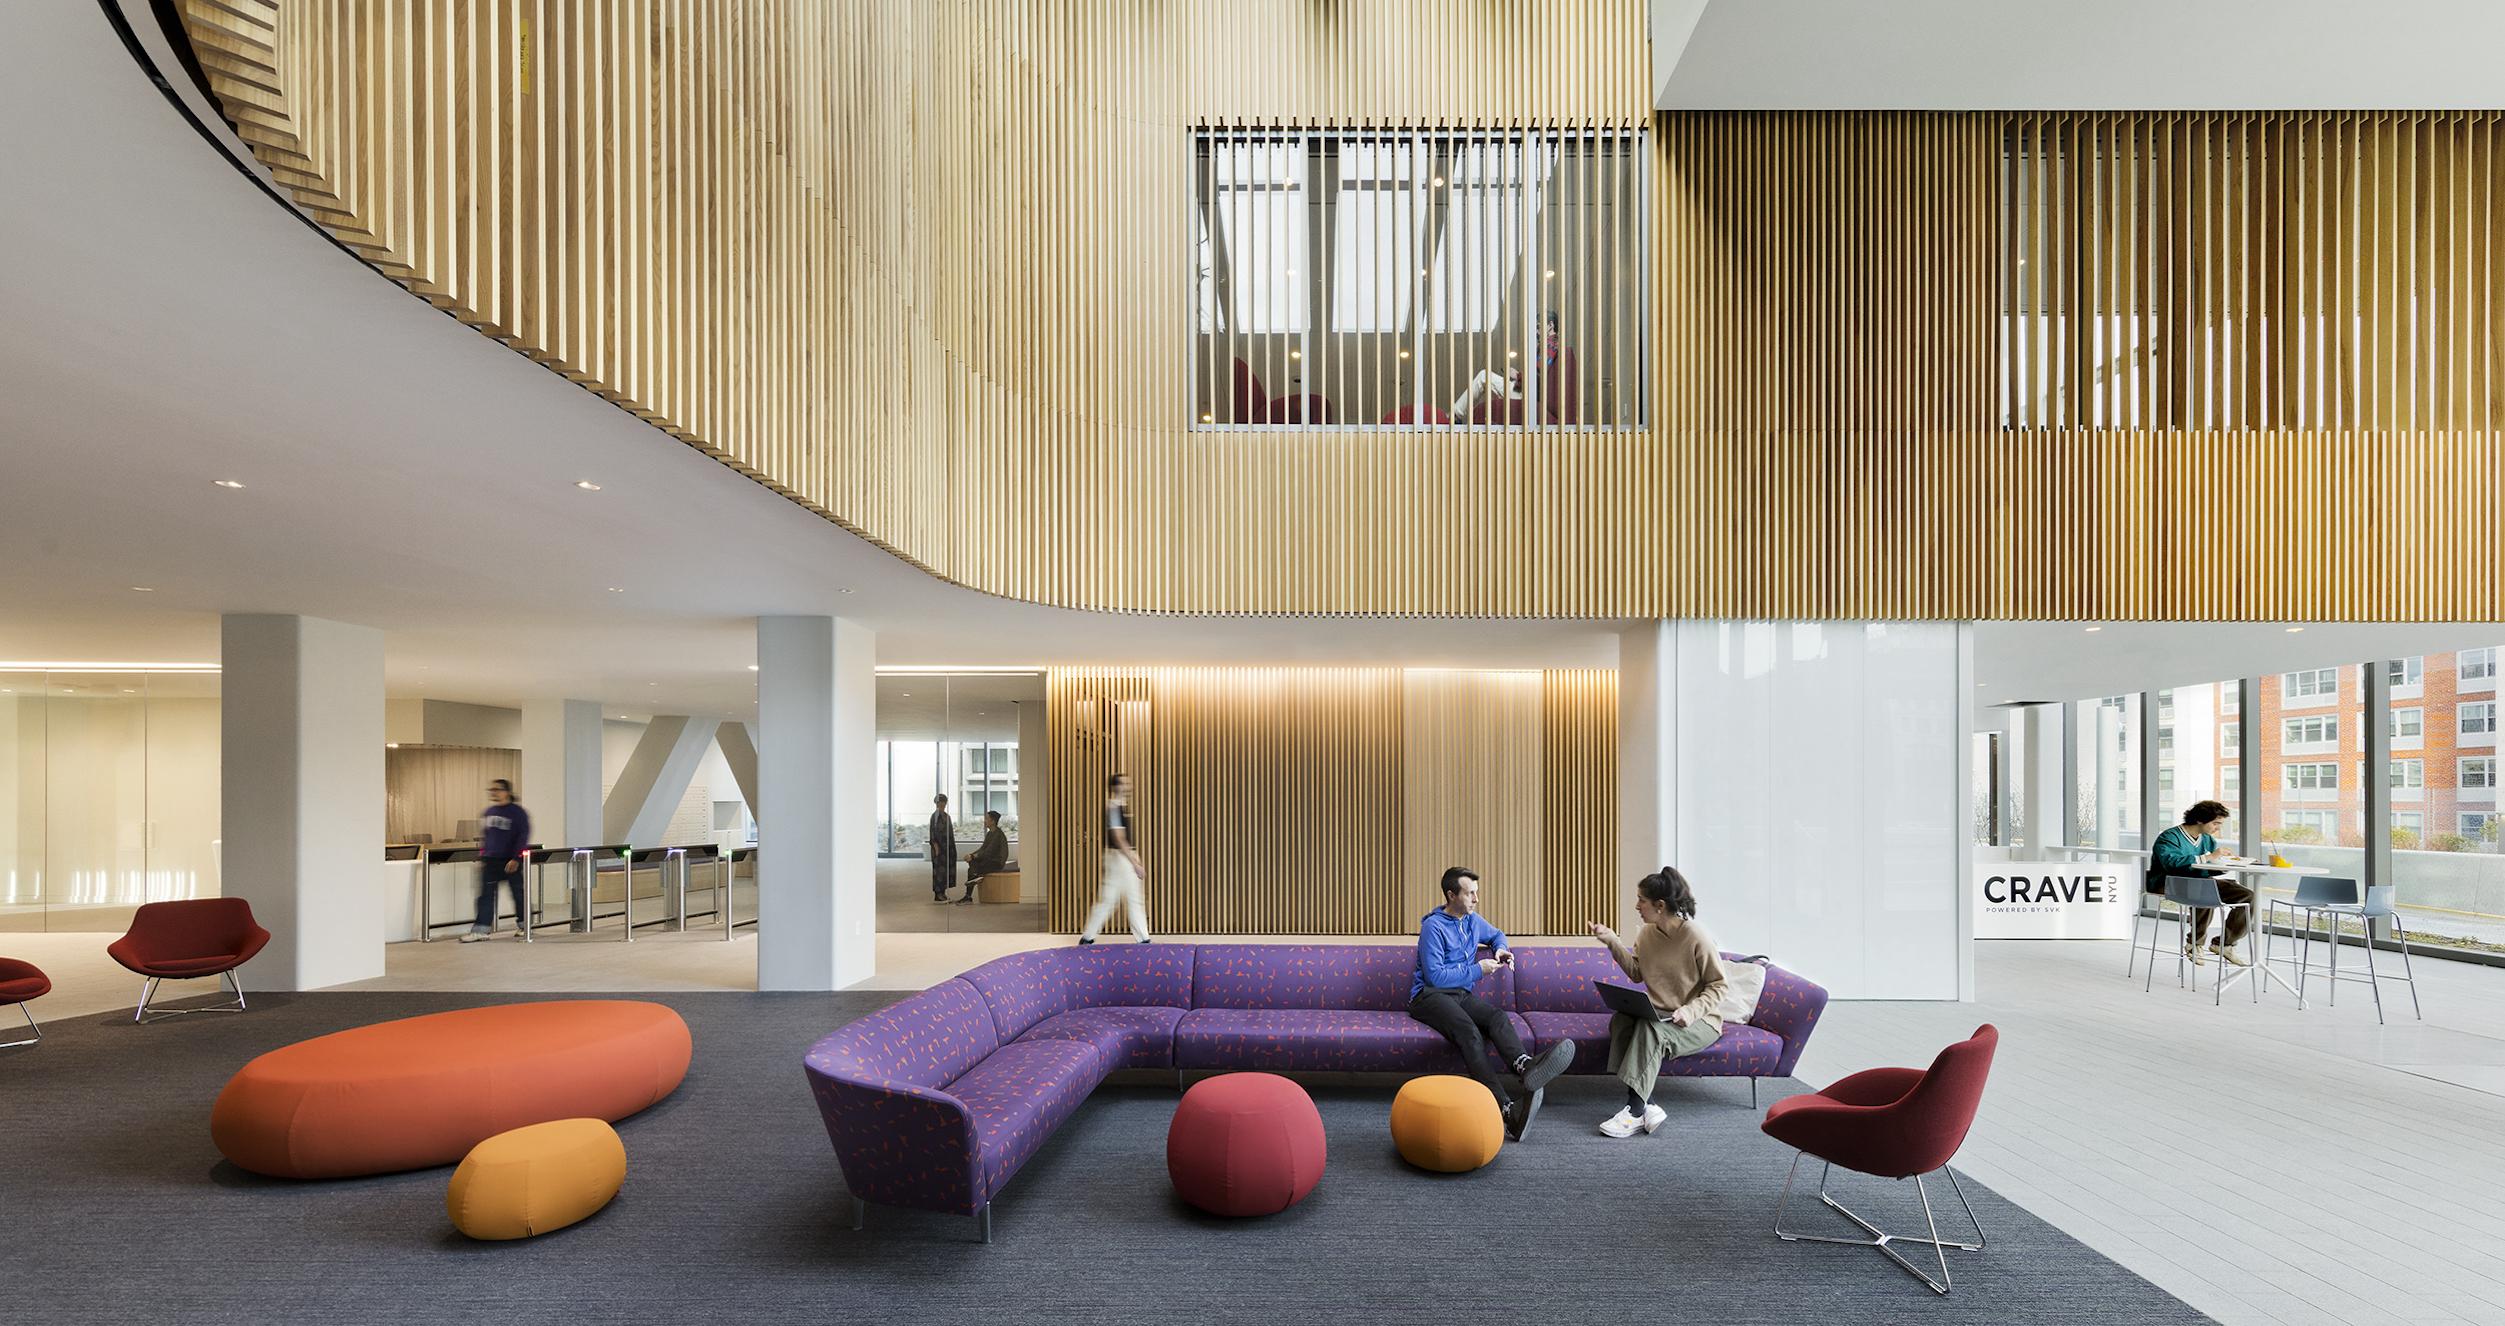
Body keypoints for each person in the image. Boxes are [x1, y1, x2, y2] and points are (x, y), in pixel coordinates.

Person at [1408, 867, 1575, 1139]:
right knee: (1470, 1033)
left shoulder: (1472, 920)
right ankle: (1506, 1109)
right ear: (1451, 895)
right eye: (1470, 893)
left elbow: (1496, 934)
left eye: (1476, 892)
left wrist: (1500, 949)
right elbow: (1435, 976)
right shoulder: (1433, 927)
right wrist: (1478, 970)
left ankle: (1525, 1066)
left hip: (1460, 994)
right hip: (1428, 996)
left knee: (1497, 1017)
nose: (1476, 899)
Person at [1585, 866, 1729, 1137]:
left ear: (1659, 906)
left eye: (1641, 900)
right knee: (1623, 1020)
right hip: (1662, 1012)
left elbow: (1719, 986)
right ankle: (1648, 1104)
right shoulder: (1647, 934)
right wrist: (1612, 941)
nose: (1636, 905)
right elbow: (1637, 973)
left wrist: (1691, 1009)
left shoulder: (1696, 936)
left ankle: (1635, 1111)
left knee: (1649, 1030)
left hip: (1700, 1021)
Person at [2151, 799, 2247, 966]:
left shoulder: (2207, 839)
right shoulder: (2170, 837)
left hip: (2199, 881)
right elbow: (2171, 863)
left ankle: (2225, 944)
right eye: (2216, 823)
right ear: (2200, 820)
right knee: (2205, 889)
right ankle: (2194, 943)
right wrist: (2210, 857)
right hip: (2170, 883)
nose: (2218, 828)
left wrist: (2225, 864)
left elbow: (2207, 867)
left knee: (2247, 895)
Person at [1079, 773, 1150, 944]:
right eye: (1125, 783)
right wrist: (1134, 863)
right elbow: (1119, 837)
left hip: (1118, 858)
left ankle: (1088, 937)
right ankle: (1143, 939)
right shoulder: (1114, 807)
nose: (1129, 785)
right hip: (1120, 859)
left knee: (1109, 899)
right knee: (1133, 899)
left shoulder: (1117, 806)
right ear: (1117, 787)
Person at [461, 778, 530, 943]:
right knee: (485, 895)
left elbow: (523, 836)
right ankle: (481, 929)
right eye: (491, 789)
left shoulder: (517, 813)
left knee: (518, 894)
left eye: (497, 789)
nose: (494, 792)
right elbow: (487, 835)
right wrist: (483, 855)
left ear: (507, 792)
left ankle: (525, 925)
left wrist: (516, 858)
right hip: (491, 860)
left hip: (510, 860)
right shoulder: (489, 812)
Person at [958, 810, 1012, 904]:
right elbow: (982, 848)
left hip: (996, 862)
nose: (985, 821)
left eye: (987, 819)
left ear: (993, 821)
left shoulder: (998, 835)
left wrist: (973, 856)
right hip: (989, 859)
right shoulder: (990, 833)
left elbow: (988, 852)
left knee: (973, 866)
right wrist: (971, 855)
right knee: (972, 864)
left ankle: (970, 892)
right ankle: (975, 877)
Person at [927, 794, 958, 903]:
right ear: (937, 803)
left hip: (948, 848)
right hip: (939, 848)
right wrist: (935, 847)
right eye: (940, 802)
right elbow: (932, 833)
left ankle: (943, 892)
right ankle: (938, 894)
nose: (942, 804)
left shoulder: (946, 816)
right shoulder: (935, 816)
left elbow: (950, 834)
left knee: (946, 870)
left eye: (944, 802)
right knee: (939, 871)